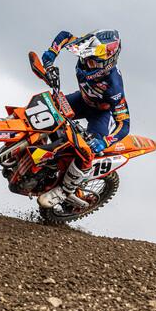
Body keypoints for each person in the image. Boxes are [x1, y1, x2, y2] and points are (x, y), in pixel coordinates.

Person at [37, 29, 130, 208]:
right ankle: (41, 154)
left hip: (100, 115)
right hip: (81, 100)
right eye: (85, 58)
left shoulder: (114, 86)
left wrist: (104, 142)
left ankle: (63, 191)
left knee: (87, 150)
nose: (87, 63)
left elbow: (124, 123)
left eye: (92, 62)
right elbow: (65, 36)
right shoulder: (86, 49)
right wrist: (51, 55)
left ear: (108, 63)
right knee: (48, 107)